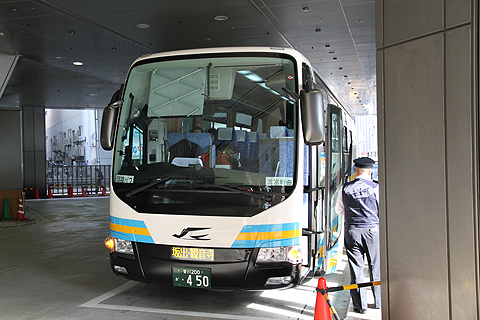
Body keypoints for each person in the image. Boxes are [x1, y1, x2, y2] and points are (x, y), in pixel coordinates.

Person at [335, 156, 380, 314]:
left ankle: (360, 306)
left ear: (355, 171)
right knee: (375, 267)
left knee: (356, 269)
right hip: (372, 231)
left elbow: (339, 211)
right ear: (370, 172)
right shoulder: (376, 188)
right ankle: (379, 302)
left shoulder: (345, 188)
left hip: (352, 231)